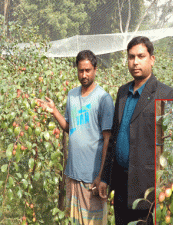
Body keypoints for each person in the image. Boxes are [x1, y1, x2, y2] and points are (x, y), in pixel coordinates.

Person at [98, 36, 173, 224]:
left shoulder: (166, 94)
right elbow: (114, 139)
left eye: (141, 56)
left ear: (152, 59)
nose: (135, 62)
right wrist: (105, 178)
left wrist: (169, 187)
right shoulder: (122, 92)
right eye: (131, 57)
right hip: (121, 187)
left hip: (147, 189)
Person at [38, 50, 114, 225]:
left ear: (95, 69)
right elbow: (70, 128)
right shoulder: (72, 95)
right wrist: (54, 111)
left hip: (92, 178)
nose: (84, 75)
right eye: (81, 70)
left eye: (88, 70)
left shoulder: (103, 99)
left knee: (93, 221)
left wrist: (102, 176)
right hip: (73, 174)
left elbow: (108, 140)